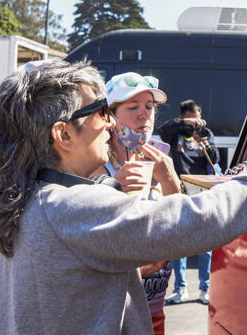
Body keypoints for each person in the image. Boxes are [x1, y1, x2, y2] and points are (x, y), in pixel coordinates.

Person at [0, 59, 247, 335]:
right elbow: (199, 220)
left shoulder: (30, 195)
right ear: (64, 135)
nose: (111, 123)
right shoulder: (70, 207)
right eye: (101, 112)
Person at [90, 72, 178, 334]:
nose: (145, 115)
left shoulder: (159, 160)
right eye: (133, 107)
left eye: (149, 107)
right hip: (111, 315)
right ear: (109, 116)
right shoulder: (96, 165)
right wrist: (113, 188)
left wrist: (170, 178)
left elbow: (181, 224)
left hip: (153, 311)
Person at [157, 99, 219, 305]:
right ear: (184, 117)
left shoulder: (205, 134)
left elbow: (215, 158)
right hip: (179, 190)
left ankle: (205, 289)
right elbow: (163, 129)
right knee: (179, 241)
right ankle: (180, 288)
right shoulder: (176, 133)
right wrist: (185, 125)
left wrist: (204, 143)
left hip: (201, 192)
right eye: (192, 117)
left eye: (198, 117)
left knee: (206, 243)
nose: (197, 120)